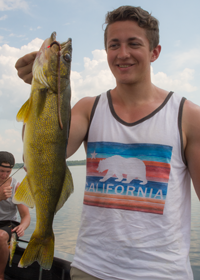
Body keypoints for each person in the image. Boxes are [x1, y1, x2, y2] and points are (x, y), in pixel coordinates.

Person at [15, 5, 200, 280]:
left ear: (155, 52)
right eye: (114, 45)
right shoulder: (89, 109)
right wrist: (37, 93)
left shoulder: (188, 117)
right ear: (106, 53)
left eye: (133, 43)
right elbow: (46, 150)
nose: (122, 53)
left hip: (163, 272)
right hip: (91, 268)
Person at [0, 151, 30, 280]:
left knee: (1, 236)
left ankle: (0, 275)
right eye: (1, 171)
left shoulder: (16, 186)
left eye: (8, 171)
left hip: (9, 224)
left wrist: (22, 226)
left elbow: (26, 216)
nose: (4, 175)